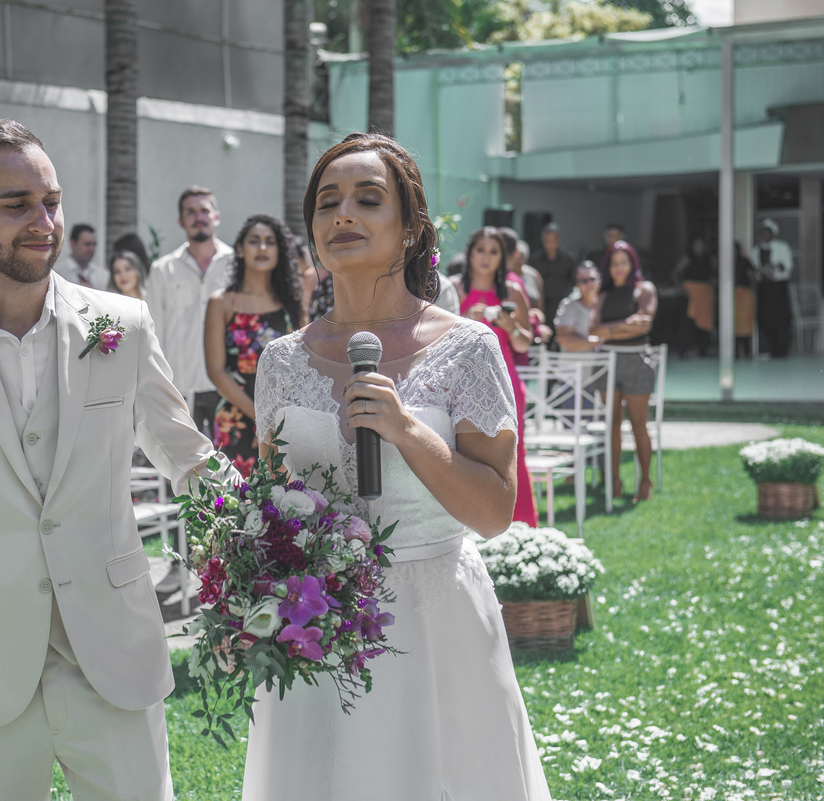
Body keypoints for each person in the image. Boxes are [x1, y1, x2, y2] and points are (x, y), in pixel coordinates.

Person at [0, 118, 237, 801]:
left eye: (52, 200)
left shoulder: (117, 325)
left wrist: (276, 530)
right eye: (16, 205)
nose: (44, 221)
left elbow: (187, 453)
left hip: (112, 653)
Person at [244, 132, 550, 800]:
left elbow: (496, 513)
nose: (343, 214)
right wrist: (245, 590)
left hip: (436, 629)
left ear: (412, 228)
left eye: (367, 199)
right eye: (328, 203)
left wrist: (406, 428)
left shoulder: (468, 349)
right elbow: (269, 505)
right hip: (318, 626)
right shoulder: (281, 362)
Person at [204, 214, 301, 477]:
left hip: (283, 419)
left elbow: (301, 364)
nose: (262, 248)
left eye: (270, 242)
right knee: (235, 503)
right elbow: (216, 371)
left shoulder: (292, 302)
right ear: (240, 249)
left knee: (285, 506)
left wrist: (273, 422)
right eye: (254, 241)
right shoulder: (222, 302)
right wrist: (260, 418)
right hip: (236, 417)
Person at [455, 227, 539, 527]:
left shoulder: (513, 292)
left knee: (513, 450)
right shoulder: (454, 289)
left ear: (502, 258)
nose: (486, 258)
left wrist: (509, 324)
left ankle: (520, 525)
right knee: (463, 451)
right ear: (470, 253)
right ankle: (472, 523)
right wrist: (468, 322)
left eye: (494, 252)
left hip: (505, 381)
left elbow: (523, 343)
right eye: (481, 250)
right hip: (462, 382)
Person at [146, 186, 235, 436]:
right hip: (180, 388)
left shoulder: (237, 265)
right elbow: (153, 334)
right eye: (191, 212)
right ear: (181, 220)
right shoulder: (162, 270)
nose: (199, 217)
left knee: (232, 467)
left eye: (204, 210)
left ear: (216, 216)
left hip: (228, 388)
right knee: (183, 471)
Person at [589, 241, 658, 503]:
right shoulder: (603, 294)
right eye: (614, 263)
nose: (619, 268)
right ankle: (614, 480)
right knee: (613, 426)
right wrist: (625, 324)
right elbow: (594, 330)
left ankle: (645, 480)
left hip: (636, 360)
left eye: (624, 262)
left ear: (633, 264)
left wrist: (610, 329)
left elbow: (644, 326)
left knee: (639, 425)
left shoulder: (644, 290)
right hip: (607, 362)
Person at [755, 218, 793, 358]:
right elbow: (754, 270)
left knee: (781, 320)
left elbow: (787, 267)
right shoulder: (757, 249)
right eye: (763, 232)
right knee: (766, 320)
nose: (765, 235)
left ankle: (782, 350)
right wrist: (761, 272)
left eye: (768, 232)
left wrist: (774, 268)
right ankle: (770, 349)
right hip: (765, 288)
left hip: (778, 288)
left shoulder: (782, 247)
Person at [530, 222, 577, 331]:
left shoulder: (568, 260)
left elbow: (574, 285)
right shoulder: (535, 261)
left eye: (553, 240)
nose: (550, 244)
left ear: (558, 239)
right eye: (547, 241)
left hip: (561, 305)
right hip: (542, 306)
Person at [674, 236, 715, 358]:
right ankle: (684, 349)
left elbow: (712, 276)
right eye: (697, 244)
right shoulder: (688, 257)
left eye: (701, 244)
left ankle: (703, 350)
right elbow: (676, 273)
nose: (699, 247)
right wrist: (681, 288)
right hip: (691, 292)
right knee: (688, 322)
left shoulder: (707, 259)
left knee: (705, 323)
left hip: (705, 294)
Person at [554, 261, 602, 352]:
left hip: (605, 365)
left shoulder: (605, 304)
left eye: (592, 279)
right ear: (577, 284)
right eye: (584, 281)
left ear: (600, 280)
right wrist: (592, 342)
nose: (589, 284)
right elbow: (563, 339)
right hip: (572, 365)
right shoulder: (568, 306)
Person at [53, 223, 110, 289]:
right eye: (87, 244)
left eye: (94, 244)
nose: (91, 249)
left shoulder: (103, 275)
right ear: (73, 243)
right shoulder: (56, 273)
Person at [734, 241, 757, 359]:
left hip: (745, 293)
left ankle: (747, 352)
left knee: (746, 324)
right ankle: (735, 353)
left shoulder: (745, 261)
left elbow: (751, 277)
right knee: (734, 324)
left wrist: (753, 291)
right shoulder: (726, 261)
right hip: (732, 295)